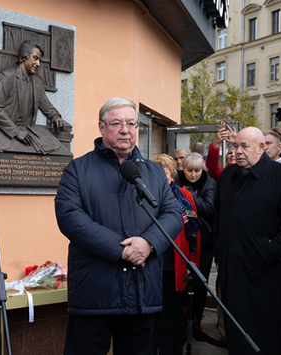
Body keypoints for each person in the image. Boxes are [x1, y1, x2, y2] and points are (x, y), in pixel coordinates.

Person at [55, 97, 183, 355]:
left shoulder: (155, 172)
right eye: (117, 123)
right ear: (101, 127)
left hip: (142, 294)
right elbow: (70, 217)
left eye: (132, 123)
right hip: (94, 293)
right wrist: (121, 249)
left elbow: (173, 213)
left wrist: (148, 243)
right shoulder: (77, 169)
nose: (125, 130)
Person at [214, 127, 281, 354]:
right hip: (231, 271)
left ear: (261, 148)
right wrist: (220, 252)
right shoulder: (228, 176)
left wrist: (270, 252)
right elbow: (219, 219)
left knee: (263, 338)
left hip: (266, 277)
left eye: (244, 146)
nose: (238, 151)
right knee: (235, 336)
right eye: (235, 145)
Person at [151, 154, 200, 355]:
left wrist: (192, 263)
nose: (161, 177)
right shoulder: (144, 195)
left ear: (171, 174)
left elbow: (194, 232)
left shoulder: (183, 196)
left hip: (175, 266)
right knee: (151, 319)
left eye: (165, 172)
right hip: (151, 266)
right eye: (156, 173)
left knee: (171, 318)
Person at [0, 40, 65, 153]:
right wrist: (15, 131)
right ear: (24, 57)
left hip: (27, 136)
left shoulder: (37, 83)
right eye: (35, 58)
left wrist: (55, 116)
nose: (38, 64)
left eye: (40, 60)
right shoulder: (6, 77)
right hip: (5, 134)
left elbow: (47, 106)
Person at [177, 153, 216, 332]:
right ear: (182, 169)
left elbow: (208, 209)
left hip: (204, 241)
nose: (193, 175)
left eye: (197, 171)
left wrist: (189, 194)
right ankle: (181, 321)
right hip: (181, 238)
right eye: (189, 170)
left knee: (200, 283)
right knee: (181, 283)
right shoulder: (177, 182)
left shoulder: (209, 183)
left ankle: (196, 324)